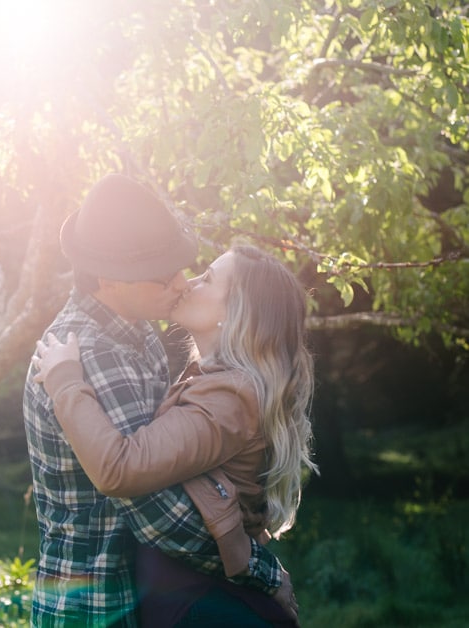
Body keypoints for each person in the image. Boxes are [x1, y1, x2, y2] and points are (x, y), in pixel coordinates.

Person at [23, 174, 290, 628]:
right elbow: (158, 514)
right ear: (111, 279)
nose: (182, 282)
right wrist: (266, 574)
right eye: (164, 276)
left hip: (139, 596)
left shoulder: (139, 333)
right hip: (94, 603)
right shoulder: (93, 353)